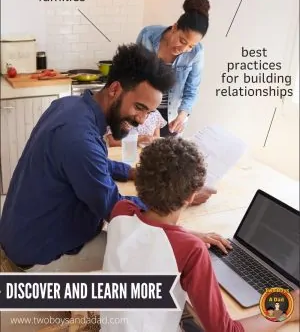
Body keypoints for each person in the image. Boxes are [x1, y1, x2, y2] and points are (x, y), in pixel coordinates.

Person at [0, 44, 175, 272]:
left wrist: (131, 172)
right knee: (145, 256)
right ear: (114, 89)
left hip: (21, 236)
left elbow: (90, 163)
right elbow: (117, 209)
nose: (142, 120)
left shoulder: (69, 107)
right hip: (38, 259)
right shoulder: (79, 138)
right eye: (139, 107)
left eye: (148, 113)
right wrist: (174, 204)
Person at [102, 138, 300, 332]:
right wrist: (288, 309)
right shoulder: (190, 250)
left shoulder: (121, 211)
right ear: (191, 196)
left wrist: (186, 234)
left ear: (140, 181)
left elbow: (150, 225)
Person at [136, 0, 216, 206]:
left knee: (166, 174)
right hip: (144, 111)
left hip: (169, 117)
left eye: (189, 45)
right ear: (174, 27)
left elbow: (192, 90)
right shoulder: (147, 35)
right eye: (182, 40)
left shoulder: (197, 52)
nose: (183, 49)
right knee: (139, 164)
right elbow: (135, 74)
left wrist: (183, 114)